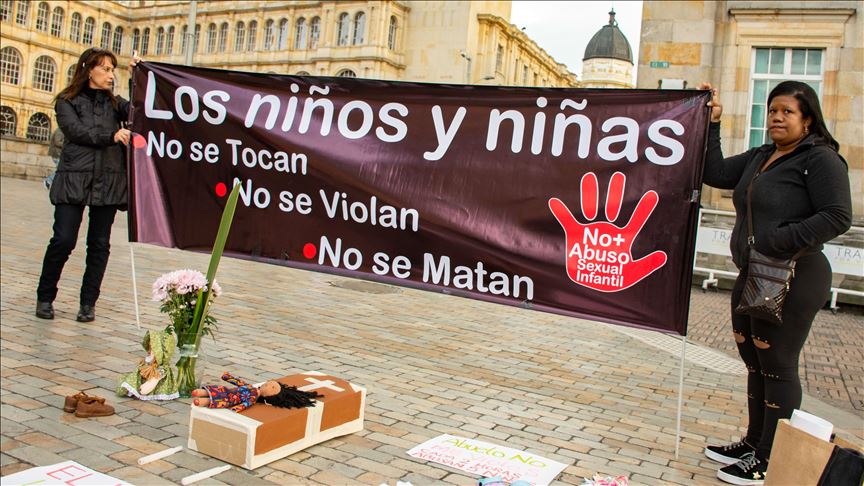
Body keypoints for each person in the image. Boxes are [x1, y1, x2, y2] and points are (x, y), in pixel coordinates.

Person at [699, 81, 852, 485]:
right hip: (755, 274)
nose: (777, 118)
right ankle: (753, 443)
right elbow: (713, 172)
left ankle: (769, 458)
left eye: (787, 111)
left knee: (778, 366)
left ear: (808, 118)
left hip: (795, 274)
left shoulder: (819, 160)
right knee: (754, 361)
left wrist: (778, 239)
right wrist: (713, 123)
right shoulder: (763, 156)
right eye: (771, 111)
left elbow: (838, 215)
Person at [35, 48, 140, 322]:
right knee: (63, 239)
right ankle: (45, 296)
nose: (110, 74)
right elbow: (77, 132)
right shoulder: (67, 101)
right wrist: (112, 135)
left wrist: (135, 76)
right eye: (105, 69)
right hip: (74, 178)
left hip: (107, 180)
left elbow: (138, 112)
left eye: (113, 69)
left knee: (99, 244)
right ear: (88, 70)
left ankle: (88, 303)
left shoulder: (115, 103)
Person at [191, 373, 322, 412]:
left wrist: (236, 408)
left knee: (216, 399)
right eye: (271, 384)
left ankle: (202, 400)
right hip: (228, 391)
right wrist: (227, 377)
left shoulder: (252, 398)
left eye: (271, 388)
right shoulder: (251, 387)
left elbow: (245, 404)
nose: (268, 384)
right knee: (217, 390)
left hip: (230, 400)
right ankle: (200, 393)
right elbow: (238, 382)